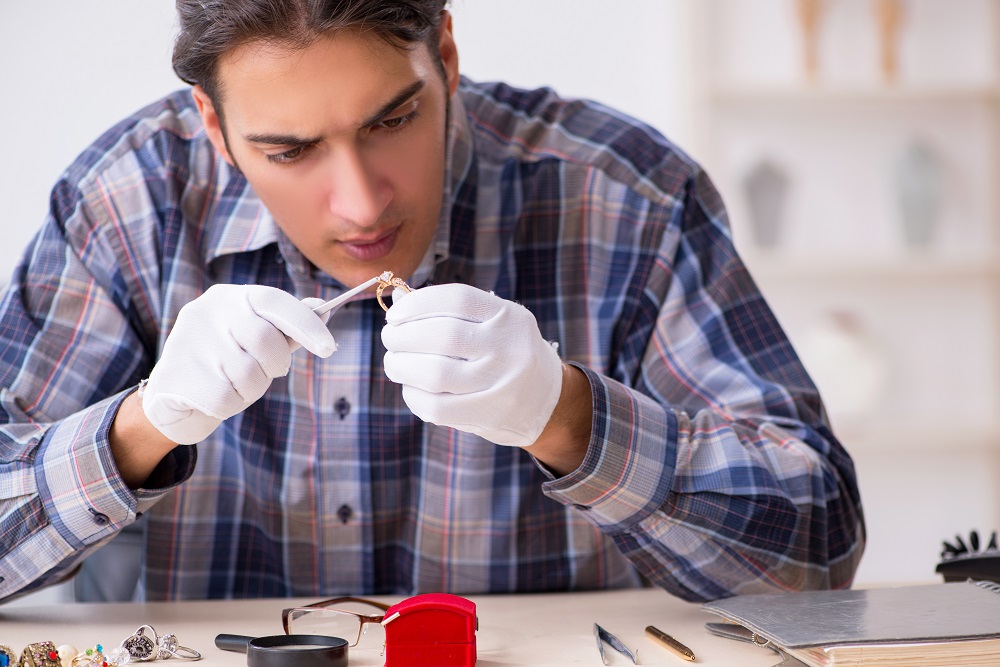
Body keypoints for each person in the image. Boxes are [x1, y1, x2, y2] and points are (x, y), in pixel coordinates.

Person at [0, 0, 865, 604]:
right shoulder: (126, 204)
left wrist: (570, 418)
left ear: (445, 56)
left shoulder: (626, 198)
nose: (363, 203)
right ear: (215, 126)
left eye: (391, 120)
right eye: (290, 150)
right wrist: (142, 427)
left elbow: (819, 558)